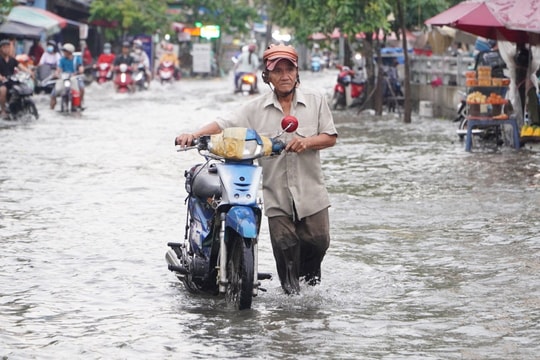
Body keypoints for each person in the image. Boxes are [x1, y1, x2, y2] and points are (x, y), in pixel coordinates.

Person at [175, 43, 338, 295]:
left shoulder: (316, 101)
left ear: (297, 73)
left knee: (319, 243)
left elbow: (330, 137)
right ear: (268, 76)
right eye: (278, 71)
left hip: (311, 194)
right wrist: (193, 134)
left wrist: (306, 142)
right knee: (285, 251)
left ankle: (310, 297)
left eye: (290, 69)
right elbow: (224, 123)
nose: (285, 75)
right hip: (277, 196)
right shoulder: (256, 108)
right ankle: (292, 305)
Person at [0, 39, 31, 118]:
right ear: (1, 49)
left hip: (12, 80)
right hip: (2, 81)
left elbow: (21, 66)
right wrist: (1, 77)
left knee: (21, 87)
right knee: (3, 90)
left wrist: (29, 72)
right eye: (4, 47)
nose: (6, 49)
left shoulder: (12, 59)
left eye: (8, 47)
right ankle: (3, 110)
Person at [50, 43, 85, 110]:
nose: (64, 52)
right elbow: (59, 69)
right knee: (53, 93)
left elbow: (81, 67)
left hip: (75, 77)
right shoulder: (62, 60)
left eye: (65, 51)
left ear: (69, 52)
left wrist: (80, 70)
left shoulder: (77, 59)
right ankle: (51, 108)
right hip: (64, 77)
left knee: (81, 88)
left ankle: (80, 103)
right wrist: (56, 74)